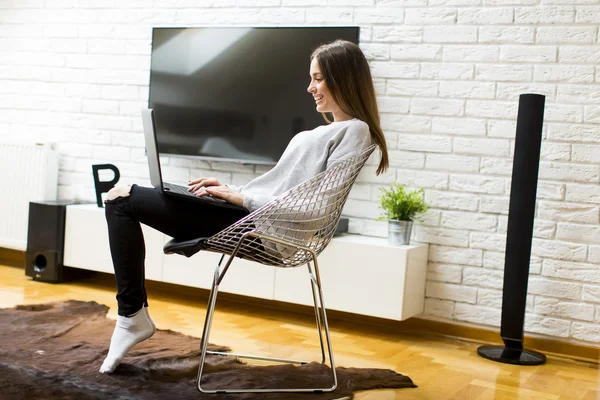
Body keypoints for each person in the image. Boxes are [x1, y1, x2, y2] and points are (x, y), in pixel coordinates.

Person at [99, 39, 390, 374]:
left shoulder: (355, 131)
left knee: (121, 198)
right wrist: (229, 189)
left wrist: (241, 198)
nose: (310, 87)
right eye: (312, 78)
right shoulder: (331, 130)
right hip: (249, 216)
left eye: (319, 78)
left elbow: (316, 210)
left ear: (346, 79)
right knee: (122, 198)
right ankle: (131, 316)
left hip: (260, 228)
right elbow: (279, 189)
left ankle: (131, 317)